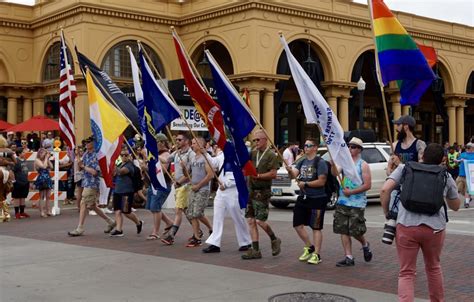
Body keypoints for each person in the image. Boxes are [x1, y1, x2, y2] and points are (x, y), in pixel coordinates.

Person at [380, 143, 460, 302]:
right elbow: (455, 206)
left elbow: (384, 190)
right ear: (442, 160)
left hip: (406, 225)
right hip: (434, 229)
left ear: (422, 156)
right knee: (433, 268)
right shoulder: (445, 175)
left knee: (406, 272)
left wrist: (387, 214)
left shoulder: (404, 168)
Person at [202, 143, 252, 253]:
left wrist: (226, 184)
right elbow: (214, 162)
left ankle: (245, 241)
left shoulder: (238, 158)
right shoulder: (222, 155)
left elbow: (239, 177)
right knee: (217, 216)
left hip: (233, 191)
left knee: (238, 217)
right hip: (221, 191)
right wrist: (205, 153)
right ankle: (215, 243)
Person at [331, 137, 373, 267]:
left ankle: (365, 244)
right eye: (349, 146)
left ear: (359, 149)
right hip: (343, 201)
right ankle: (348, 257)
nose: (350, 149)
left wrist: (352, 192)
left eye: (353, 147)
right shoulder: (344, 163)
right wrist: (332, 164)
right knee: (343, 229)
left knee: (355, 230)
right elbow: (335, 173)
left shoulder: (363, 164)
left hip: (357, 203)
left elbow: (367, 185)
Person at [286, 137, 327, 265]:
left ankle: (317, 254)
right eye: (305, 145)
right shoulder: (302, 161)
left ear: (315, 147)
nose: (306, 147)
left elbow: (322, 181)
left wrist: (306, 184)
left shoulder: (320, 162)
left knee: (316, 227)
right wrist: (289, 171)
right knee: (297, 224)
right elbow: (294, 175)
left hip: (317, 199)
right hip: (304, 198)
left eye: (309, 145)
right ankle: (309, 247)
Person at [242, 129, 281, 260]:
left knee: (260, 221)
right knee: (251, 221)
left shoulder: (271, 155)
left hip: (263, 192)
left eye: (258, 140)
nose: (256, 142)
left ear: (265, 140)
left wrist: (259, 176)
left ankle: (274, 239)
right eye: (254, 140)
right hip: (251, 190)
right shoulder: (253, 153)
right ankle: (256, 250)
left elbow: (273, 174)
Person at [68, 136, 116, 237]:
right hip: (86, 182)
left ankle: (80, 228)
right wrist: (77, 157)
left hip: (92, 183)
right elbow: (81, 167)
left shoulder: (96, 156)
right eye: (86, 142)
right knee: (92, 205)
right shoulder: (86, 154)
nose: (86, 144)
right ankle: (110, 221)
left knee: (84, 204)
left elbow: (94, 172)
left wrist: (83, 167)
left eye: (88, 142)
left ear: (94, 143)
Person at [161, 132, 193, 245]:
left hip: (186, 186)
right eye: (177, 140)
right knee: (188, 212)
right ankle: (202, 230)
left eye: (179, 140)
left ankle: (171, 235)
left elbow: (191, 172)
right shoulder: (177, 152)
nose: (177, 141)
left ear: (186, 141)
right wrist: (153, 155)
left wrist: (180, 181)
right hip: (178, 186)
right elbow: (166, 160)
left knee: (178, 210)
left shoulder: (191, 154)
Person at [185, 136, 214, 247]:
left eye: (194, 143)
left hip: (203, 189)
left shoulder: (206, 158)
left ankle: (210, 229)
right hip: (194, 188)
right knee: (191, 213)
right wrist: (184, 168)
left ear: (201, 144)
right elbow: (188, 173)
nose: (192, 145)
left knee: (197, 213)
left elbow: (210, 175)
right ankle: (196, 236)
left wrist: (199, 185)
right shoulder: (193, 158)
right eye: (192, 143)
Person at [144, 134, 174, 240]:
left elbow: (162, 170)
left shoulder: (166, 154)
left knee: (155, 208)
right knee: (152, 207)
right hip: (154, 184)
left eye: (156, 142)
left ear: (162, 143)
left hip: (162, 184)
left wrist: (154, 157)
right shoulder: (155, 154)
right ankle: (169, 222)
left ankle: (155, 232)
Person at [109, 148, 144, 237]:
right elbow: (114, 173)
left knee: (126, 212)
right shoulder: (120, 164)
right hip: (117, 191)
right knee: (117, 210)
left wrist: (112, 164)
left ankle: (138, 222)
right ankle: (119, 230)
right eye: (122, 155)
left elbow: (121, 172)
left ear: (129, 156)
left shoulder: (130, 165)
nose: (124, 156)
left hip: (127, 192)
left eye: (126, 155)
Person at [34, 148, 53, 217]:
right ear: (39, 153)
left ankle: (48, 210)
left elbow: (51, 167)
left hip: (47, 178)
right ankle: (42, 212)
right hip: (41, 179)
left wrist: (47, 159)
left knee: (48, 196)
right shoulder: (37, 160)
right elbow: (44, 166)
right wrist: (46, 158)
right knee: (41, 196)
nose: (45, 155)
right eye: (43, 153)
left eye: (45, 153)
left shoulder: (45, 160)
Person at [11, 148, 30, 219]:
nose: (24, 153)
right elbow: (12, 171)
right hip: (18, 182)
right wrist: (14, 180)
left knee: (23, 197)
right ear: (19, 153)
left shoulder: (25, 160)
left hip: (25, 181)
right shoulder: (16, 161)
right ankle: (17, 213)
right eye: (23, 152)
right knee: (16, 197)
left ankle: (22, 212)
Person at [455, 142, 474, 208]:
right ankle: (468, 198)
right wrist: (456, 161)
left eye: (470, 147)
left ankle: (467, 202)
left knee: (467, 189)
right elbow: (457, 161)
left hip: (469, 175)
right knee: (458, 188)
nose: (469, 148)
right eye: (468, 147)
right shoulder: (462, 154)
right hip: (461, 174)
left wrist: (466, 160)